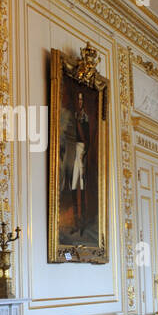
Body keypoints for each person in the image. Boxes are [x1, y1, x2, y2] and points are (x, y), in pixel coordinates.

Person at [61, 90, 90, 237]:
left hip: (81, 151)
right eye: (77, 101)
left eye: (81, 101)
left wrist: (84, 156)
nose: (79, 104)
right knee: (73, 185)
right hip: (73, 150)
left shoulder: (84, 118)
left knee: (82, 187)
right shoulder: (73, 118)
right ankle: (75, 222)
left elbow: (87, 139)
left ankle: (82, 222)